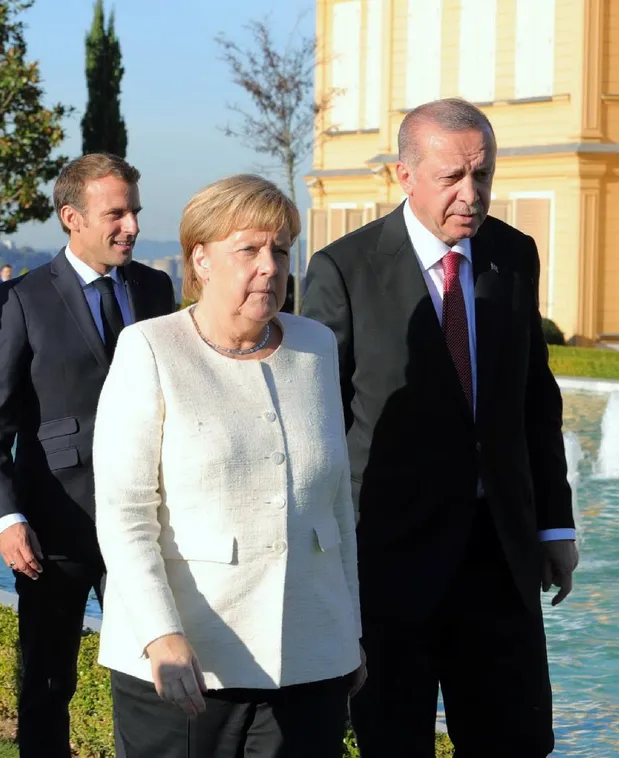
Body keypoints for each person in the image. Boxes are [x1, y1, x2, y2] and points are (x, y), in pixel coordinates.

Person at [301, 98, 577, 757]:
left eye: (482, 175)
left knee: (515, 743)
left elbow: (534, 400)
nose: (470, 194)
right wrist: (321, 558)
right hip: (388, 565)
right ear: (404, 175)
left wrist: (554, 526)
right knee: (394, 743)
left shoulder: (513, 255)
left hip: (499, 558)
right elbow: (318, 424)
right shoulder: (343, 270)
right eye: (451, 177)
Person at [92, 174, 365, 757]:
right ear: (201, 260)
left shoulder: (316, 346)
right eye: (249, 249)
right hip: (187, 662)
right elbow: (125, 516)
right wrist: (161, 635)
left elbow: (338, 505)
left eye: (281, 251)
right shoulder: (150, 348)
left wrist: (350, 633)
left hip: (310, 656)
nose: (269, 266)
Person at [0, 152, 177, 756]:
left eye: (135, 212)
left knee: (156, 681)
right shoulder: (22, 298)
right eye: (116, 214)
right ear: (71, 217)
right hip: (54, 530)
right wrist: (6, 519)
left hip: (147, 524)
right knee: (47, 682)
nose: (132, 226)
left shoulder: (155, 289)